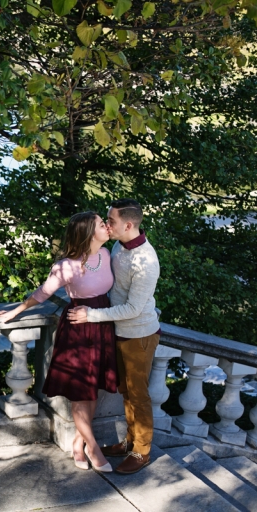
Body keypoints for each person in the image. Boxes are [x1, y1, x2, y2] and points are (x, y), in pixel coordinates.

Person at [0, 211, 116, 473]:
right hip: (78, 331)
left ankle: (78, 443)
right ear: (88, 232)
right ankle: (93, 448)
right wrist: (16, 311)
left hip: (102, 325)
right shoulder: (66, 266)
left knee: (92, 389)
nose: (106, 226)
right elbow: (43, 293)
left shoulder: (106, 254)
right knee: (80, 393)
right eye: (100, 224)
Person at [68, 199, 160, 475]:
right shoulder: (118, 246)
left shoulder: (146, 261)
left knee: (138, 395)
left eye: (111, 221)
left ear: (128, 225)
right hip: (117, 331)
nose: (107, 225)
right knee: (126, 392)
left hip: (139, 334)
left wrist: (90, 315)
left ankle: (141, 452)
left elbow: (133, 309)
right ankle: (130, 442)